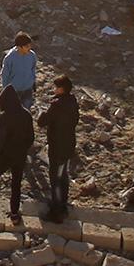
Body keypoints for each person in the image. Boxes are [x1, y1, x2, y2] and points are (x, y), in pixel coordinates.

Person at [0, 84, 32, 225]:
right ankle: (15, 215)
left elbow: (1, 139)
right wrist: (23, 150)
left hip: (6, 155)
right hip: (20, 156)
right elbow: (31, 138)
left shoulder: (5, 117)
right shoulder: (26, 114)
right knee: (16, 184)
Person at [43, 74, 79, 221]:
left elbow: (42, 121)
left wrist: (46, 110)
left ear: (61, 89)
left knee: (55, 179)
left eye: (56, 87)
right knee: (63, 176)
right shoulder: (73, 102)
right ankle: (62, 204)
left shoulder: (56, 105)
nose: (54, 89)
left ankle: (57, 211)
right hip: (68, 145)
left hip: (57, 147)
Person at [1, 32, 37, 110]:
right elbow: (5, 75)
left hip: (27, 89)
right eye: (26, 46)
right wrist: (6, 91)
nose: (29, 48)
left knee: (26, 112)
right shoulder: (10, 58)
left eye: (30, 45)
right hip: (14, 91)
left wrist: (33, 82)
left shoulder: (32, 55)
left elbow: (33, 69)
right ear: (19, 47)